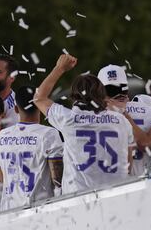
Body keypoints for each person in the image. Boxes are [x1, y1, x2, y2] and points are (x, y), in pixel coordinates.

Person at [34, 54, 134, 195]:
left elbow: (39, 98)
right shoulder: (122, 120)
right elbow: (128, 166)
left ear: (74, 95)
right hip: (117, 196)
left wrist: (59, 68)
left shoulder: (68, 119)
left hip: (79, 199)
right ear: (102, 93)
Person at [0, 86, 63, 211]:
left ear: (15, 109)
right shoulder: (49, 134)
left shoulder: (1, 137)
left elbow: (1, 179)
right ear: (39, 105)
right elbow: (58, 180)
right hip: (40, 211)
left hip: (9, 212)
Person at [97, 65, 151, 176]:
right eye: (112, 90)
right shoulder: (149, 111)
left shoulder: (93, 115)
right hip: (145, 181)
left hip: (111, 184)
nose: (116, 94)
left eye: (118, 89)